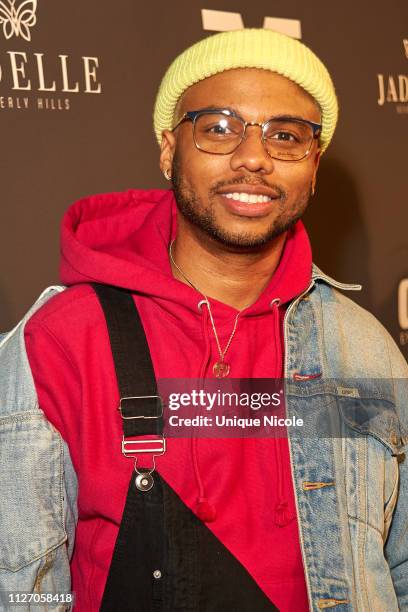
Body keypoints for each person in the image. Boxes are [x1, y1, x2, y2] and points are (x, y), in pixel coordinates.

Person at [0, 28, 407, 612]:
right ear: (169, 148)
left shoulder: (362, 347)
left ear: (314, 167)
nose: (253, 156)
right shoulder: (62, 338)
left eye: (286, 136)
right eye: (218, 128)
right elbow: (25, 593)